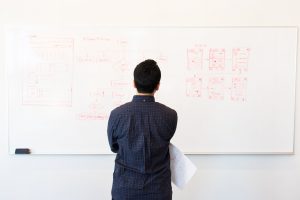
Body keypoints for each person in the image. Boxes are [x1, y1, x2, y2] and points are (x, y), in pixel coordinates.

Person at [107, 59, 178, 200]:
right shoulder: (170, 115)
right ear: (158, 85)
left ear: (134, 83)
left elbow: (114, 147)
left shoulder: (117, 114)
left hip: (125, 189)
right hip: (158, 190)